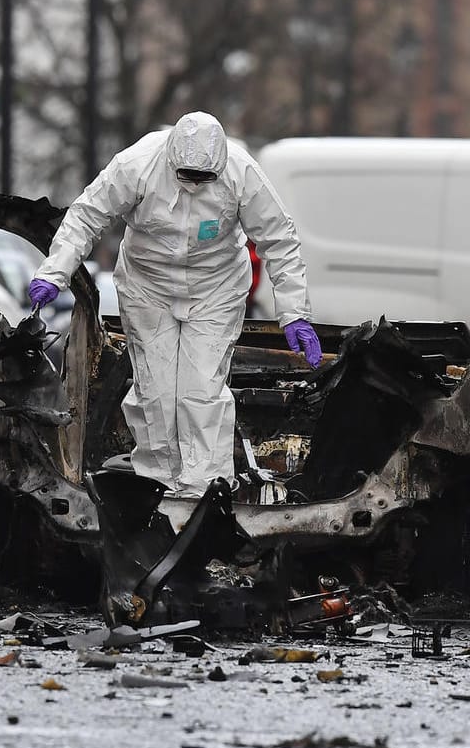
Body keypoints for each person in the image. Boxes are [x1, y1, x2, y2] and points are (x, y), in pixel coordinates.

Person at [27, 111, 320, 498]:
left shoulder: (241, 172)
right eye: (189, 176)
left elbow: (279, 240)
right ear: (171, 159)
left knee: (202, 392)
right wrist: (55, 272)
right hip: (149, 288)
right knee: (156, 394)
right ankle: (157, 488)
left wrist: (294, 312)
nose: (196, 185)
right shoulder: (137, 164)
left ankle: (204, 493)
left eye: (205, 178)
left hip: (215, 290)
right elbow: (86, 216)